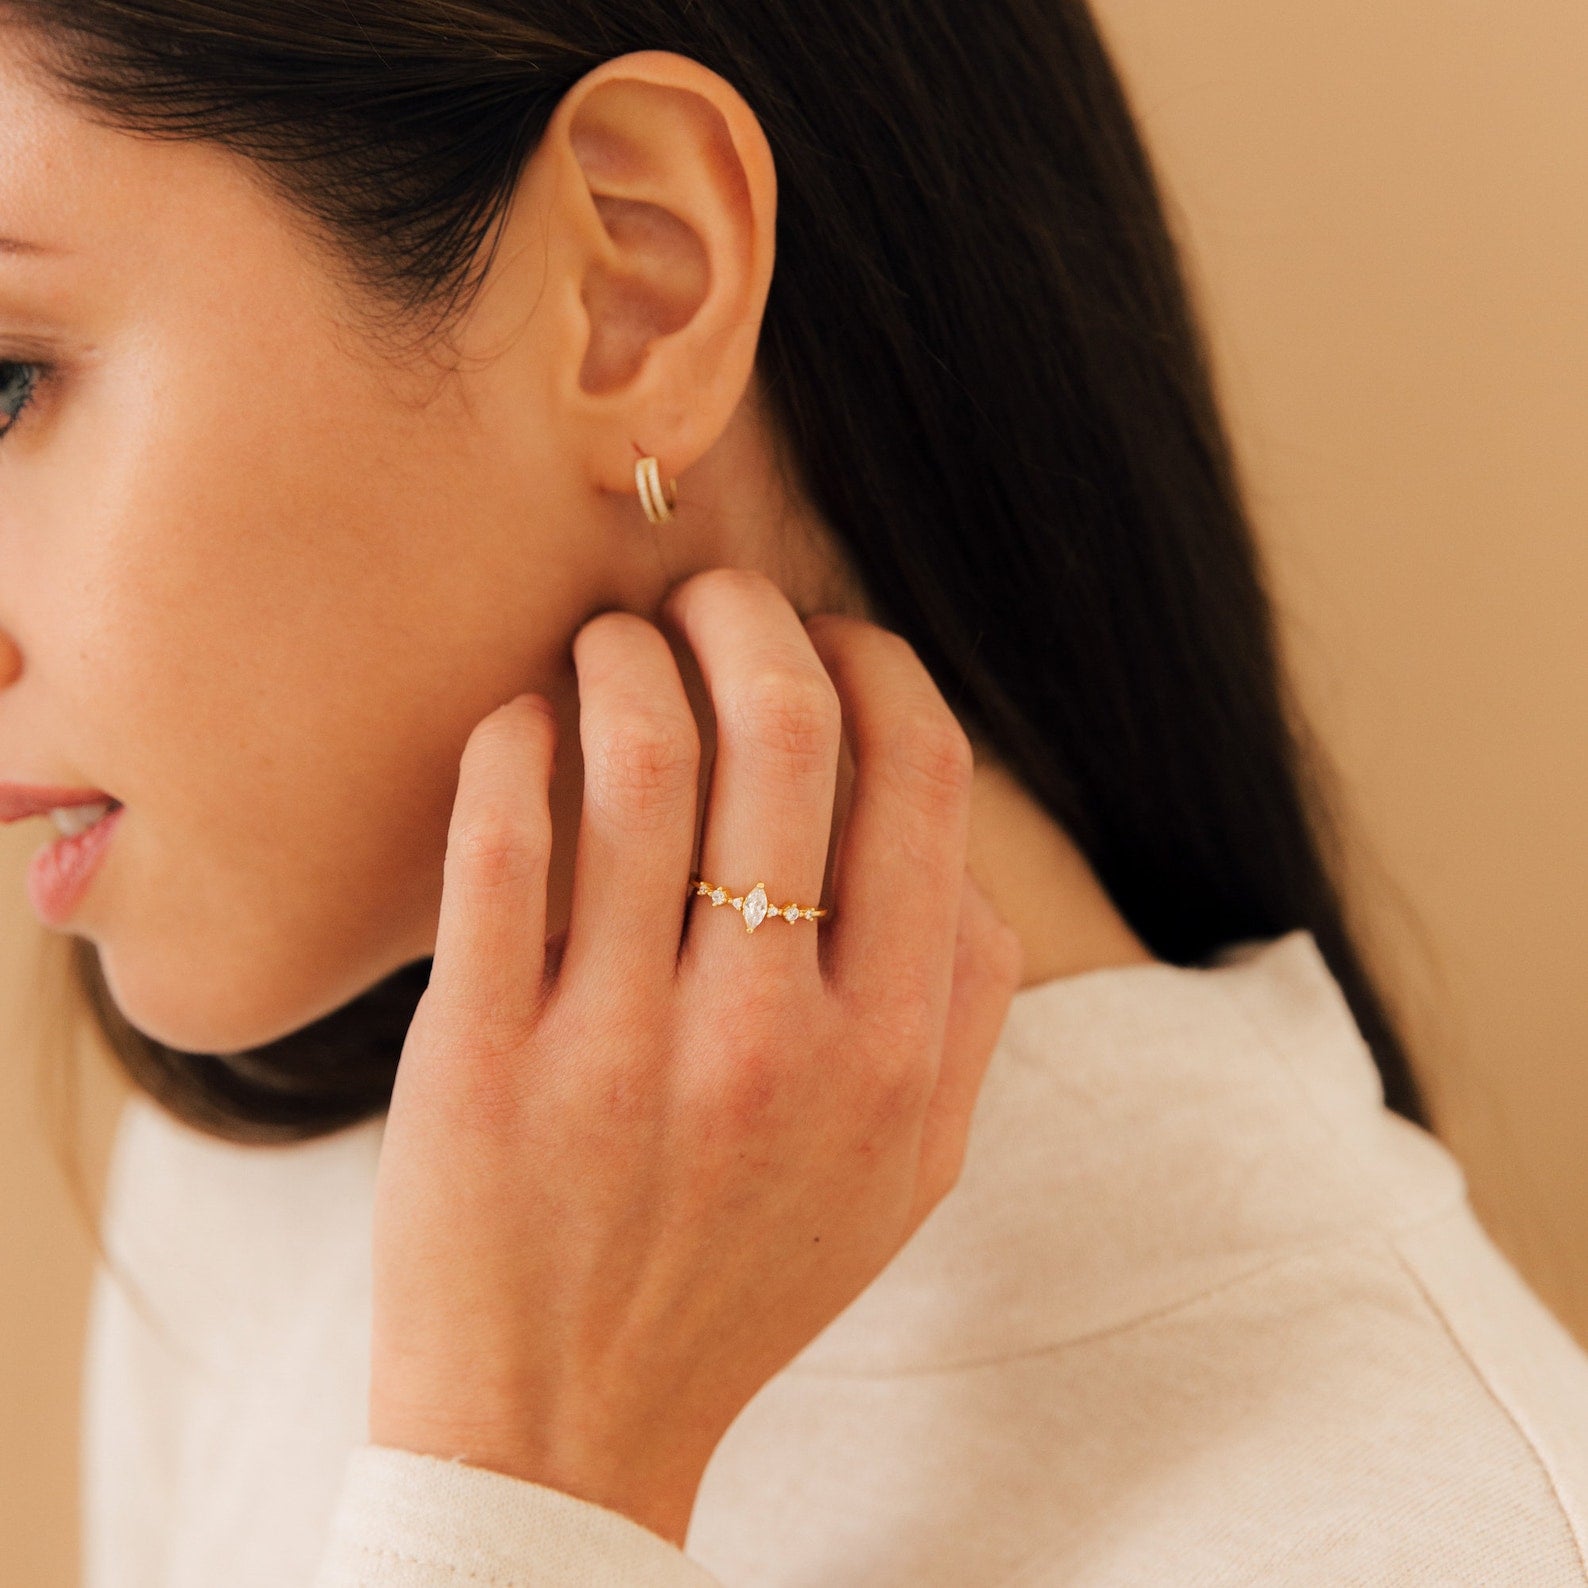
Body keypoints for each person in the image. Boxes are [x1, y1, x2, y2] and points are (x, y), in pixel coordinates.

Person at [1, 2, 1585, 1583]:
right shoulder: (261, 1197)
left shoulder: (1449, 1529)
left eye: (6, 385)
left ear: (638, 280)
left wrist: (525, 1481)